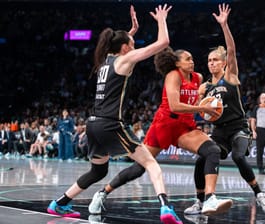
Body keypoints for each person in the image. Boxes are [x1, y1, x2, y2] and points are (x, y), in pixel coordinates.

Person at [47, 5, 183, 224]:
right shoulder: (124, 60)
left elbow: (120, 44)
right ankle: (166, 208)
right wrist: (161, 20)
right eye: (132, 45)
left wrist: (132, 31)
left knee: (98, 172)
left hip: (94, 124)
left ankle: (60, 203)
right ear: (124, 48)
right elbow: (163, 43)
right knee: (151, 163)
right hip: (111, 124)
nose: (134, 47)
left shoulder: (105, 62)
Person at [87, 46, 234, 217]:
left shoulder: (198, 77)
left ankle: (208, 199)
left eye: (192, 58)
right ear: (177, 63)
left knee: (212, 151)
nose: (192, 61)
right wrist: (202, 107)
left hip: (185, 127)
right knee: (139, 168)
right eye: (188, 59)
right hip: (164, 125)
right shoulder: (173, 76)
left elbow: (199, 94)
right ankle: (102, 193)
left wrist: (209, 101)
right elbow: (175, 106)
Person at [186, 3, 265, 216]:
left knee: (238, 156)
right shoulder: (205, 87)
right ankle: (201, 202)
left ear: (224, 63)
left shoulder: (230, 76)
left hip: (238, 128)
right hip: (218, 131)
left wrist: (224, 26)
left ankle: (260, 195)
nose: (211, 63)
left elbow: (232, 51)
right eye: (209, 60)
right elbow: (197, 112)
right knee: (200, 161)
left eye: (215, 60)